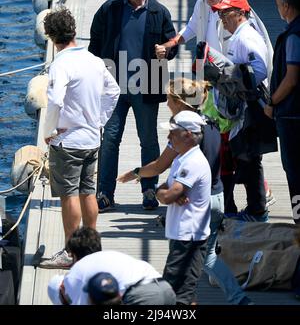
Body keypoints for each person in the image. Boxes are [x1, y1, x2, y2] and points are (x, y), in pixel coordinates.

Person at [118, 78, 254, 305]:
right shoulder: (210, 123)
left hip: (193, 203)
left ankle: (185, 302)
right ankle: (238, 298)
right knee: (206, 258)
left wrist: (137, 173)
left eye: (169, 99)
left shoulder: (184, 133)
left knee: (181, 261)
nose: (166, 103)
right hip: (216, 196)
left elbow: (160, 165)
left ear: (179, 102)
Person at [155, 0, 275, 210]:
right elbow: (191, 28)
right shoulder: (203, 3)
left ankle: (255, 198)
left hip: (235, 91)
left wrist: (241, 85)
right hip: (214, 85)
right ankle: (228, 201)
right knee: (222, 143)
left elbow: (258, 66)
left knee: (239, 146)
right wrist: (171, 43)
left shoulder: (236, 12)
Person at [88, 0, 178, 212]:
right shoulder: (110, 9)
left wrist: (165, 51)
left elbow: (172, 45)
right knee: (110, 140)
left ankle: (149, 189)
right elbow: (95, 41)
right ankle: (105, 193)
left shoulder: (159, 12)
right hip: (114, 87)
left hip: (146, 85)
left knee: (148, 140)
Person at [40, 9, 120, 269]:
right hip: (91, 138)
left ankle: (71, 251)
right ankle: (91, 247)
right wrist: (100, 121)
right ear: (73, 31)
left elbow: (53, 100)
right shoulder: (94, 60)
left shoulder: (60, 64)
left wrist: (49, 132)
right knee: (88, 193)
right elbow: (113, 91)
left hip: (69, 141)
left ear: (52, 37)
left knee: (68, 195)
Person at [211, 0, 270, 222]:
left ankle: (257, 209)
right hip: (244, 105)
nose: (222, 18)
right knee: (245, 155)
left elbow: (260, 70)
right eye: (219, 14)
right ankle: (255, 207)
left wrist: (234, 82)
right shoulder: (238, 37)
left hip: (250, 105)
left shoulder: (245, 38)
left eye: (225, 13)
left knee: (250, 157)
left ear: (241, 13)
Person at [156, 111, 211, 305]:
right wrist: (164, 192)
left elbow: (169, 194)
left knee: (176, 297)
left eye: (173, 132)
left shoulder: (192, 162)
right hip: (182, 237)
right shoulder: (182, 158)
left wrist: (164, 193)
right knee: (185, 295)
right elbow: (167, 190)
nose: (168, 137)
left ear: (188, 134)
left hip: (188, 240)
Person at [47, 227, 176, 305]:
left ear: (74, 255)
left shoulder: (76, 273)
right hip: (166, 289)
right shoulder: (111, 256)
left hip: (139, 297)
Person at [264, 0, 300, 224]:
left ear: (286, 6)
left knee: (295, 173)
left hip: (292, 116)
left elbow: (291, 77)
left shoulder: (294, 35)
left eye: (278, 5)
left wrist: (272, 102)